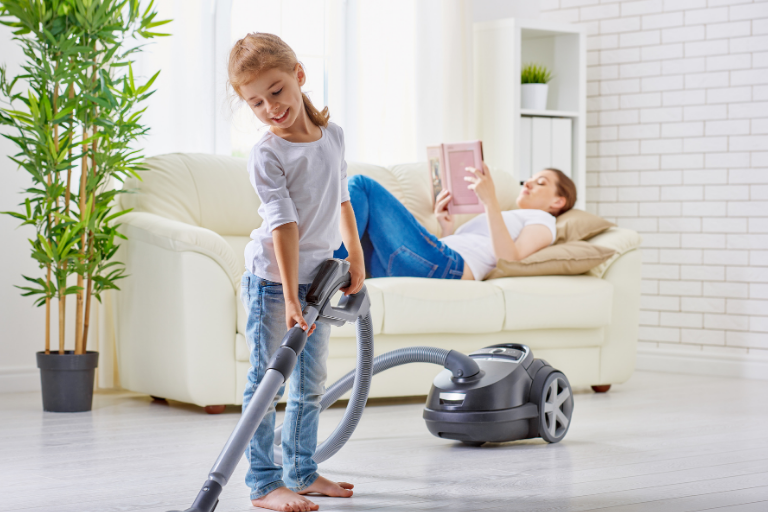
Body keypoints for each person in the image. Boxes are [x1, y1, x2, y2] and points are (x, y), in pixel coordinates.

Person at [229, 33, 364, 512]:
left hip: (320, 281)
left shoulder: (334, 136)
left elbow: (342, 197)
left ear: (299, 75)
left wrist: (356, 257)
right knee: (269, 381)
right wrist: (289, 297)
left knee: (311, 382)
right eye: (256, 102)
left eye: (277, 90)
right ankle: (264, 483)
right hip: (273, 283)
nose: (270, 107)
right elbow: (284, 226)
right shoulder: (267, 155)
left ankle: (302, 472)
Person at [334, 165, 577, 281]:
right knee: (360, 220)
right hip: (435, 260)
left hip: (448, 266)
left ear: (558, 201)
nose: (529, 184)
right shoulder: (507, 217)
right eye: (530, 179)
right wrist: (445, 227)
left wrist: (490, 200)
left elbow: (509, 259)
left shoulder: (543, 220)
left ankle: (329, 270)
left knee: (361, 186)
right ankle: (330, 266)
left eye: (541, 182)